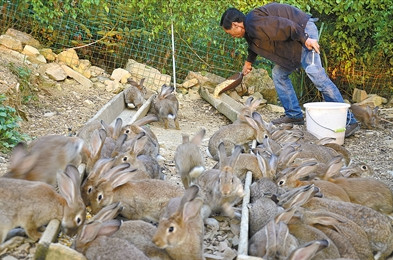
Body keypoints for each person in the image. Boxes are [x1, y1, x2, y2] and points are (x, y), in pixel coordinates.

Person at [220, 3, 359, 137]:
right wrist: (248, 62)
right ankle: (294, 115)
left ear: (236, 25)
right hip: (296, 38)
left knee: (314, 72)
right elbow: (254, 46)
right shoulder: (250, 30)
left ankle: (349, 121)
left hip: (303, 30)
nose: (231, 36)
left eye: (229, 32)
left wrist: (306, 39)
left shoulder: (254, 22)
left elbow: (286, 25)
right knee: (279, 74)